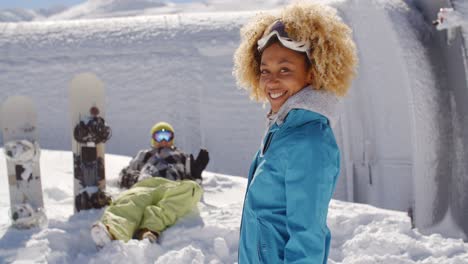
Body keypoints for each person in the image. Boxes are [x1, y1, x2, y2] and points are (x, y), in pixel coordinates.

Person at [233, 2, 357, 263]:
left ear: (312, 74)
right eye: (265, 71)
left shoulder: (308, 140)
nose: (271, 80)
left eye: (285, 69)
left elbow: (307, 235)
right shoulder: (282, 129)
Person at [90, 122, 209, 248]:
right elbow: (123, 176)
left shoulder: (182, 157)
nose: (163, 140)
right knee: (131, 203)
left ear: (172, 138)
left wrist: (196, 175)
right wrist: (136, 178)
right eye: (159, 136)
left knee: (193, 188)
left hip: (171, 187)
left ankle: (148, 231)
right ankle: (113, 232)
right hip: (146, 185)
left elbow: (191, 186)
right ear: (153, 138)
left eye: (167, 136)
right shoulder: (144, 154)